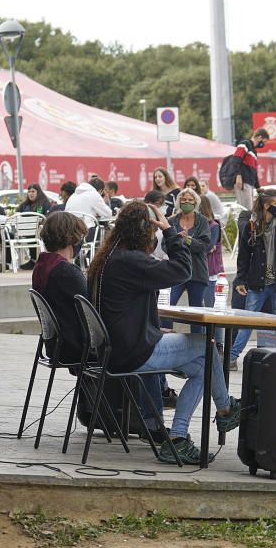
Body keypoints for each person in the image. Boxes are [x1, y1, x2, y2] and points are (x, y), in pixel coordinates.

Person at [86, 200, 242, 465]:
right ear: (145, 231)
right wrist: (171, 232)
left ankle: (180, 437)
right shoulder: (131, 261)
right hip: (133, 352)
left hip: (116, 350)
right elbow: (183, 270)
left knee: (204, 364)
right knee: (208, 345)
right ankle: (225, 409)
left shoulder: (110, 257)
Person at [231, 189, 276, 366]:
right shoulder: (251, 225)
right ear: (266, 205)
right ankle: (232, 357)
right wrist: (240, 280)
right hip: (257, 283)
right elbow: (243, 256)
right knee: (247, 322)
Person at [31, 212, 89, 363]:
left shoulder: (42, 266)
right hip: (77, 347)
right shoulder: (66, 272)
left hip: (55, 344)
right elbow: (93, 308)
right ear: (73, 238)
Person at [165, 189, 212, 323]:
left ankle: (199, 342)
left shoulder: (202, 220)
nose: (186, 202)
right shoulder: (172, 220)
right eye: (183, 200)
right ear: (179, 201)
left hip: (197, 272)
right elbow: (165, 244)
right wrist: (176, 241)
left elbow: (204, 245)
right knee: (168, 307)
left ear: (196, 202)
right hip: (176, 271)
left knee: (196, 313)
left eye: (190, 200)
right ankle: (166, 337)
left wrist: (187, 239)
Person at [229, 128, 269, 211]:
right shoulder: (245, 144)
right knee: (244, 210)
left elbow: (253, 171)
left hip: (249, 183)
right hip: (243, 182)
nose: (263, 144)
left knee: (249, 209)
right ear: (260, 137)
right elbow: (236, 160)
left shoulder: (254, 151)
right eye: (264, 141)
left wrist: (258, 187)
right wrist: (238, 176)